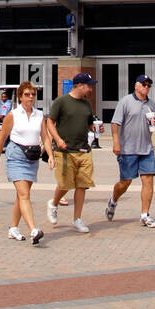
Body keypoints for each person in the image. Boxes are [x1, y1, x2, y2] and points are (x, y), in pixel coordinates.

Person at [0, 81, 46, 245]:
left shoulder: (39, 115)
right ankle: (33, 230)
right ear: (20, 97)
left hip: (31, 157)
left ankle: (13, 228)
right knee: (24, 195)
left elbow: (46, 138)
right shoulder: (13, 115)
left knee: (21, 196)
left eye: (33, 95)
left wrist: (50, 156)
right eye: (27, 94)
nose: (30, 98)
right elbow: (1, 140)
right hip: (15, 155)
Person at [106, 74, 155, 228]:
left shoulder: (151, 104)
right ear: (136, 86)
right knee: (125, 182)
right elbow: (115, 123)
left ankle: (145, 215)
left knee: (148, 179)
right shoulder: (125, 102)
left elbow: (154, 124)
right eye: (144, 84)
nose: (146, 87)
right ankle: (113, 200)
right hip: (128, 149)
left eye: (149, 85)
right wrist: (116, 142)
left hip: (146, 148)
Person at [46, 73, 97, 233]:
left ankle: (77, 219)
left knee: (82, 184)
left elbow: (89, 124)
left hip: (84, 150)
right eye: (88, 85)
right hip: (65, 150)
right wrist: (57, 139)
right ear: (79, 85)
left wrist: (94, 128)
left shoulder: (87, 104)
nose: (90, 89)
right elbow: (50, 122)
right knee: (65, 184)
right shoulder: (61, 102)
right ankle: (53, 203)